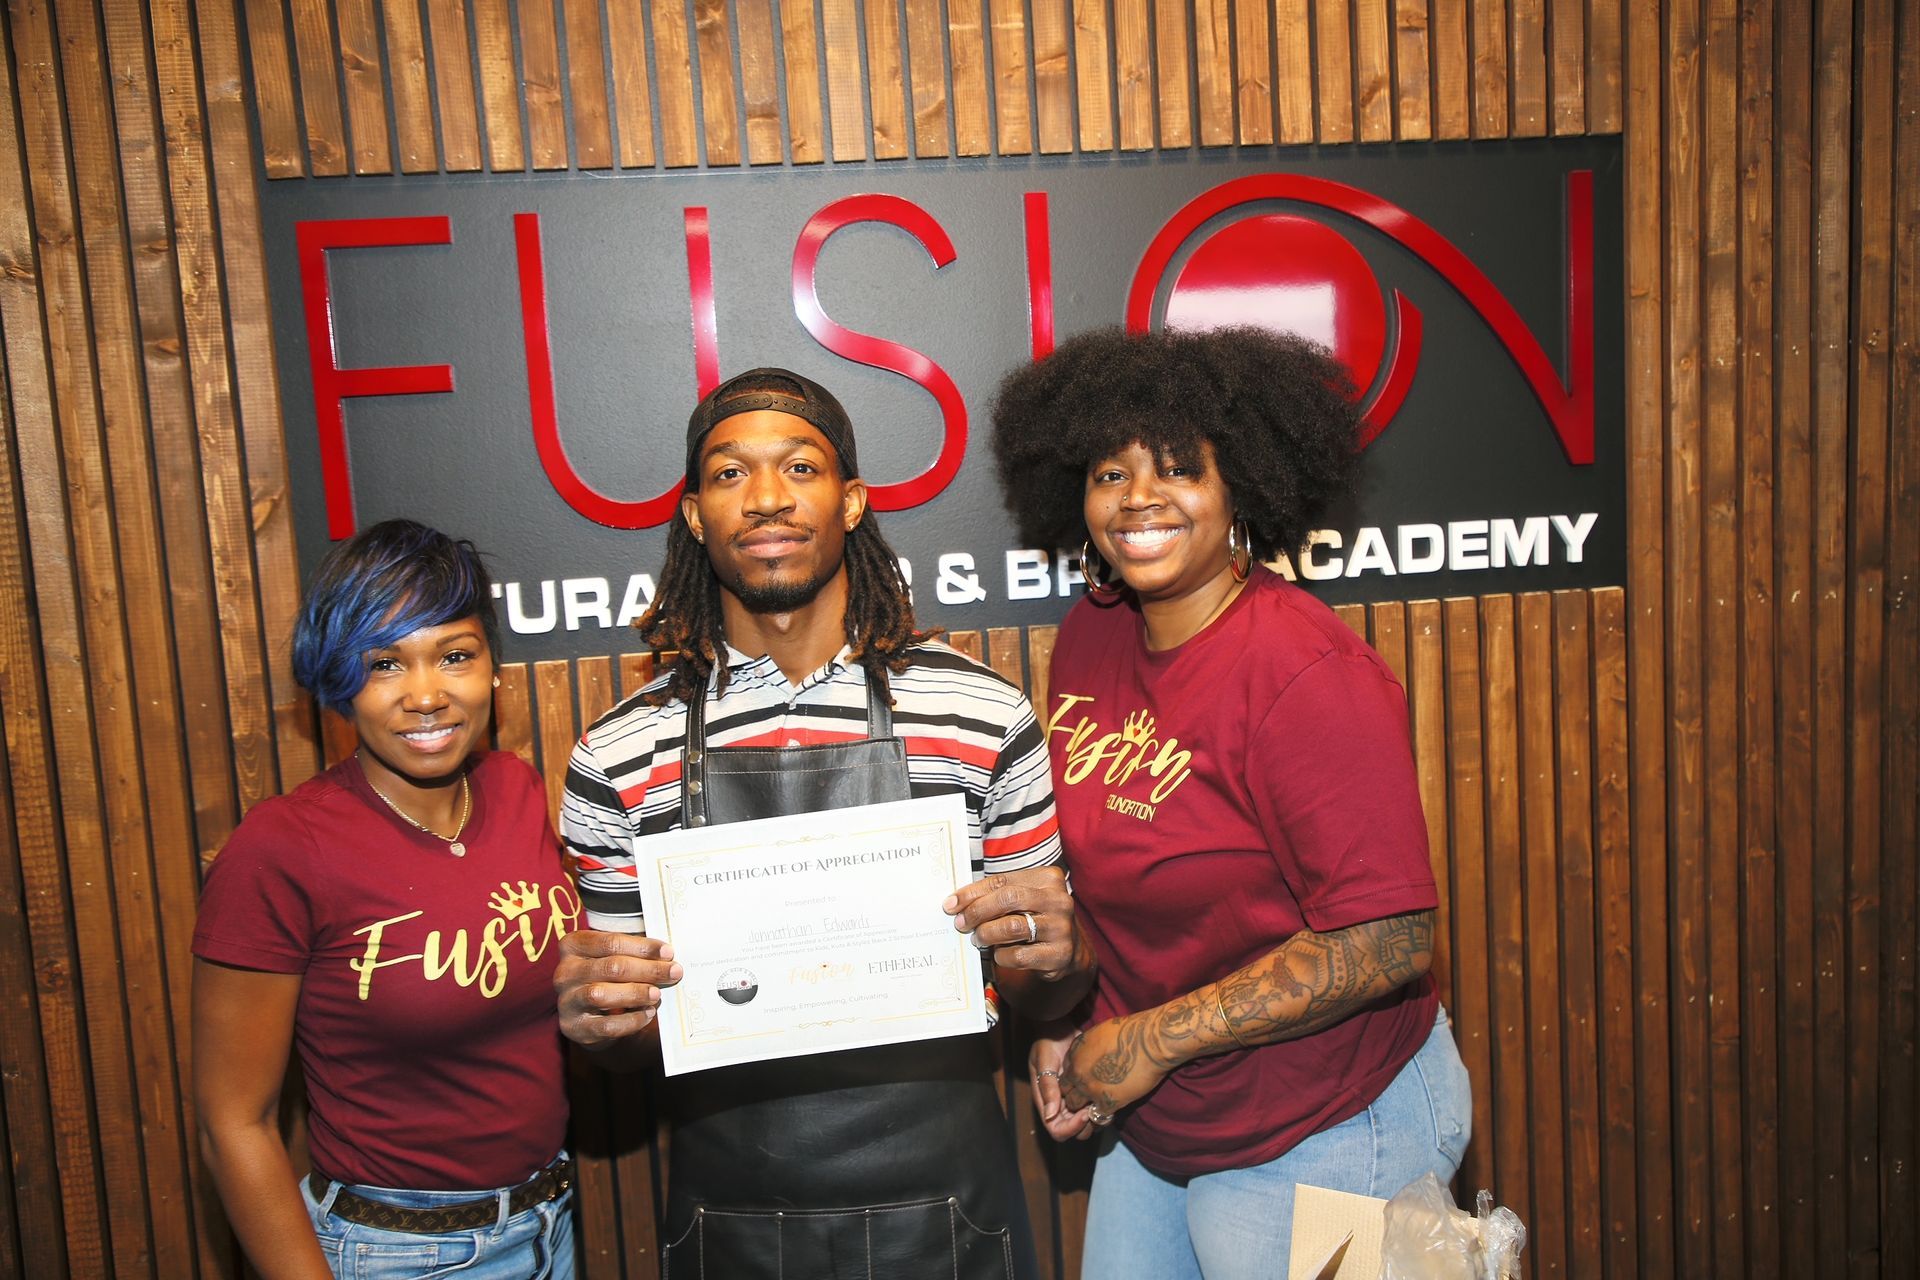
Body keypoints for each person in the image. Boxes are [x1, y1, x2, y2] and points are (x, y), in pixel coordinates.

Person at [555, 367, 1094, 1279]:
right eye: (730, 474)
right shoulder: (617, 755)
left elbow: (1039, 993)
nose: (767, 498)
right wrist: (602, 1021)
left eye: (800, 468)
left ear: (850, 501)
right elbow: (634, 1043)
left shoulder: (981, 716)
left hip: (949, 1213)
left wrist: (1060, 958)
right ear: (694, 516)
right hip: (731, 1224)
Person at [989, 326, 1472, 1278]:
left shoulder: (1305, 670)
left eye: (1179, 468)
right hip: (1165, 1115)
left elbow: (1389, 940)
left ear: (1240, 487)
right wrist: (1067, 1023)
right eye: (1111, 473)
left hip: (1333, 1120)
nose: (1140, 497)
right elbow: (1117, 876)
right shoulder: (1091, 636)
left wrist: (1146, 1041)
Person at [193, 520, 580, 1280]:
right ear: (341, 681)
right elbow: (233, 1122)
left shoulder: (515, 788)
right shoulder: (282, 847)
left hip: (551, 1225)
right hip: (397, 1253)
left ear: (492, 668)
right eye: (384, 664)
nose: (426, 695)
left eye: (455, 656)